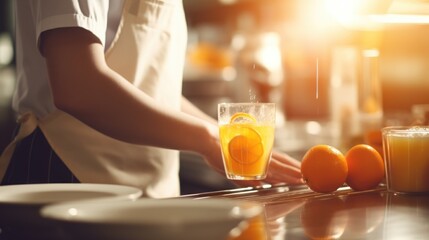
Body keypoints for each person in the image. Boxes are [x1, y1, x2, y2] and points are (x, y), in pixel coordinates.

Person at [0, 0, 302, 198]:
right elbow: (78, 85)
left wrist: (226, 134)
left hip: (151, 195)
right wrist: (208, 138)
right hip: (67, 177)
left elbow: (153, 91)